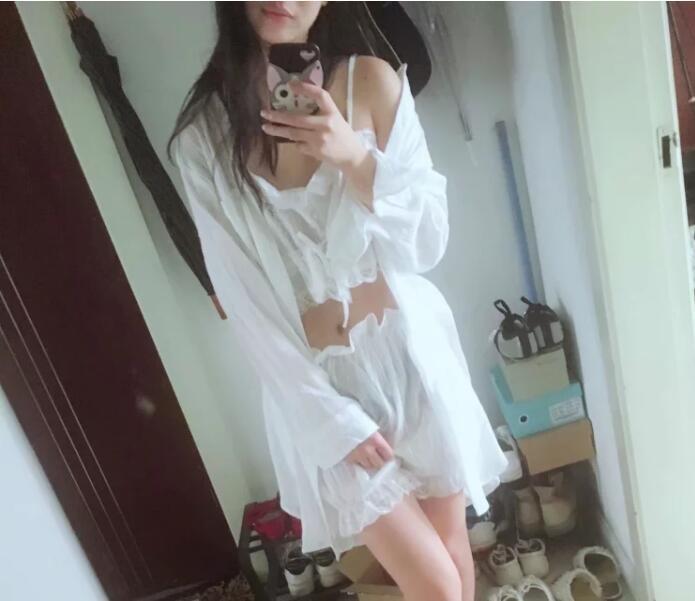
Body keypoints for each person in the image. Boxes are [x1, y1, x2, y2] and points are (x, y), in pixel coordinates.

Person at [168, 2, 507, 600]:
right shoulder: (204, 141)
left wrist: (353, 156)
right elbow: (246, 306)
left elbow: (427, 242)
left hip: (412, 362)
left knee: (453, 552)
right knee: (435, 586)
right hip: (326, 391)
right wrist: (331, 423)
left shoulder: (372, 82)